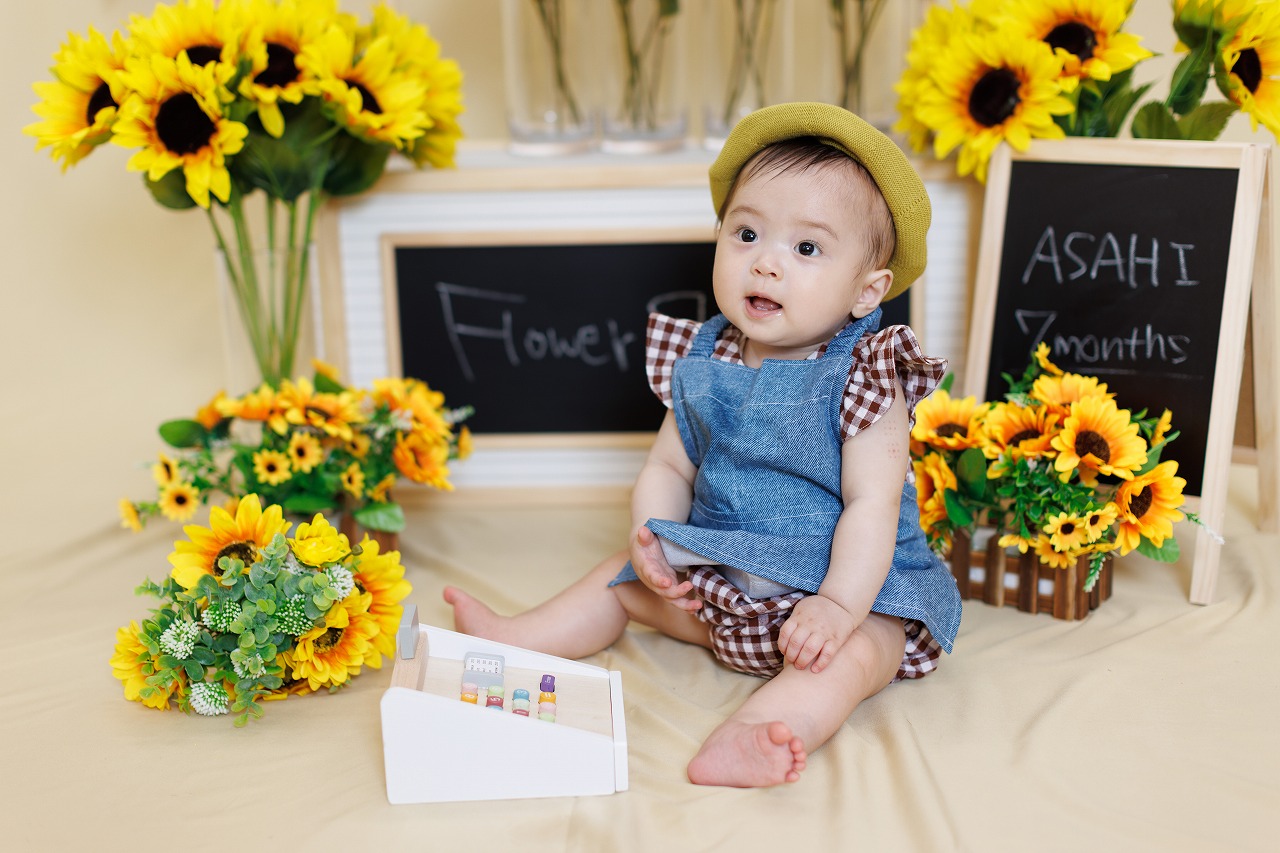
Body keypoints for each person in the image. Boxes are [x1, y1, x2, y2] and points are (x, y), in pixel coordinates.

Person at [445, 102, 962, 788]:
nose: (767, 264)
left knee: (859, 657)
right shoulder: (702, 353)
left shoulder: (865, 373)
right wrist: (650, 538)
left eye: (806, 248)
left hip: (841, 595)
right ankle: (516, 640)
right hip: (722, 584)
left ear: (868, 291)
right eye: (747, 233)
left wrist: (837, 607)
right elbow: (669, 461)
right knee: (617, 580)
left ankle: (756, 734)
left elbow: (872, 503)